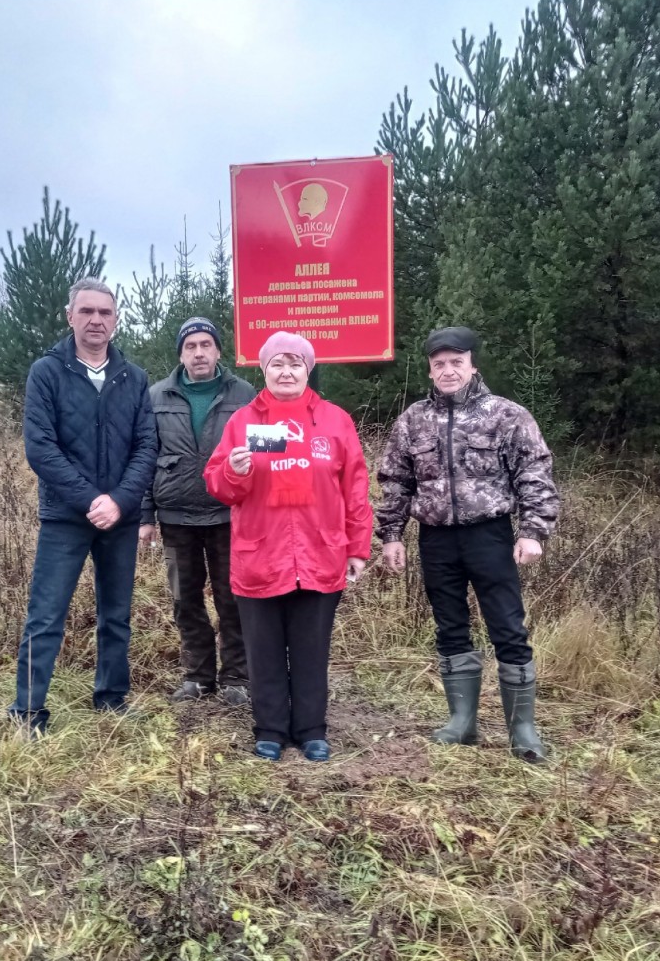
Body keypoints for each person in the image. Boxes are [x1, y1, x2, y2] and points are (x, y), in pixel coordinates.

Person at [377, 326, 560, 763]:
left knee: (508, 629)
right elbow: (395, 482)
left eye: (456, 362)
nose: (447, 370)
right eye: (439, 364)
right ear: (429, 369)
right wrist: (391, 535)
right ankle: (463, 723)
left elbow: (535, 473)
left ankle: (523, 730)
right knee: (450, 627)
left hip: (490, 535)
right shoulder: (413, 420)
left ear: (472, 364)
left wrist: (533, 531)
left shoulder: (507, 415)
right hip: (436, 538)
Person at [203, 331, 373, 762]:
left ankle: (312, 729)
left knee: (311, 648)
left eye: (295, 363)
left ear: (308, 369)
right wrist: (236, 472)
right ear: (263, 370)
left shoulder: (335, 420)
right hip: (260, 556)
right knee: (263, 651)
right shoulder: (243, 421)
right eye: (277, 363)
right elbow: (218, 485)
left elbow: (355, 488)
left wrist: (357, 547)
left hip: (321, 553)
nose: (286, 371)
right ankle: (271, 729)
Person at [9, 277, 158, 734]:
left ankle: (111, 698)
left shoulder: (133, 378)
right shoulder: (47, 372)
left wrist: (118, 501)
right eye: (88, 311)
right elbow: (41, 447)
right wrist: (92, 499)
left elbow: (146, 446)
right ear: (70, 315)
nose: (97, 320)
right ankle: (28, 712)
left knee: (117, 614)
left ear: (115, 320)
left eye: (105, 313)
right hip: (66, 517)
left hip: (121, 516)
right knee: (46, 614)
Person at [139, 317, 256, 706]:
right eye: (191, 346)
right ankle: (198, 676)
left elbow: (258, 458)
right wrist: (145, 517)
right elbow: (143, 458)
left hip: (229, 516)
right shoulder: (156, 396)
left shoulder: (243, 394)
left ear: (219, 350)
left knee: (232, 599)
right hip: (176, 518)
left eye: (206, 344)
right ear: (181, 353)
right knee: (185, 599)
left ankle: (237, 677)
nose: (199, 352)